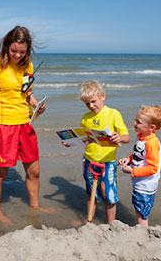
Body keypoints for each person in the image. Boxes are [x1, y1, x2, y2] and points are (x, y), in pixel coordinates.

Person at [0, 25, 50, 223]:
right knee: (0, 172)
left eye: (22, 51)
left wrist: (37, 104)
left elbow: (27, 93)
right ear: (6, 46)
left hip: (24, 124)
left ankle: (35, 207)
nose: (17, 55)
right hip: (2, 126)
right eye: (13, 51)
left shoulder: (27, 66)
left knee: (34, 170)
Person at [62, 81, 130, 223]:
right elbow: (85, 139)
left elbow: (127, 137)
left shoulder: (113, 114)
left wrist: (120, 137)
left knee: (107, 193)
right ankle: (89, 221)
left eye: (93, 101)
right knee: (90, 192)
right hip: (89, 159)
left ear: (102, 96)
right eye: (87, 103)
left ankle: (112, 224)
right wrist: (71, 143)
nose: (91, 106)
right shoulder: (86, 118)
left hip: (107, 161)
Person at [118, 105, 161, 227]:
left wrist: (131, 171)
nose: (134, 123)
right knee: (138, 208)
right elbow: (138, 154)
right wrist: (128, 160)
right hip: (139, 183)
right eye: (135, 119)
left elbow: (153, 168)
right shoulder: (141, 136)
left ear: (152, 127)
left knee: (142, 213)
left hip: (146, 186)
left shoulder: (151, 143)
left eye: (138, 122)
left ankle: (143, 231)